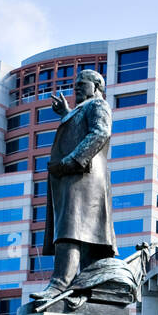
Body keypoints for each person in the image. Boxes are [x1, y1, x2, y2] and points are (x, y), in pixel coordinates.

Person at [37, 68, 117, 300]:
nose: (76, 87)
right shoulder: (83, 109)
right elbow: (78, 129)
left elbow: (100, 132)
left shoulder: (98, 105)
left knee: (71, 228)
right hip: (76, 178)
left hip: (84, 176)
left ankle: (62, 282)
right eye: (76, 84)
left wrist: (70, 161)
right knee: (83, 232)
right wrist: (66, 113)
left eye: (82, 84)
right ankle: (89, 285)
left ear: (97, 87)